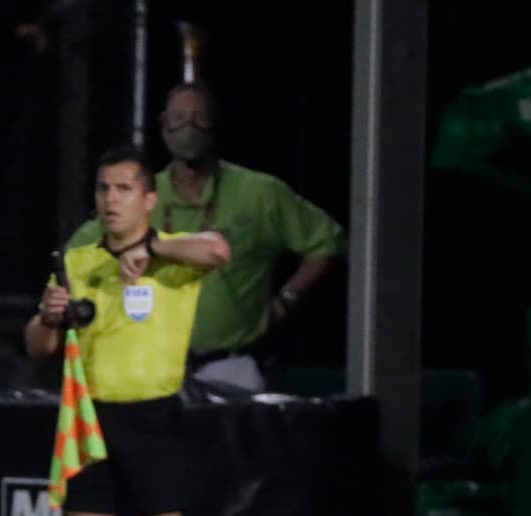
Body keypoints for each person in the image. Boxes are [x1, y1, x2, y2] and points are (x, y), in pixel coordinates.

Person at [26, 145, 229, 516]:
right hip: (88, 419)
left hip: (153, 418)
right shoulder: (80, 260)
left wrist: (151, 248)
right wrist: (48, 315)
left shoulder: (172, 259)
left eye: (122, 190)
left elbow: (218, 249)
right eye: (103, 189)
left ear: (148, 199)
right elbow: (37, 345)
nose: (110, 200)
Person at [68, 82, 345, 397]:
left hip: (233, 368)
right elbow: (77, 252)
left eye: (200, 118)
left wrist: (285, 301)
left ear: (215, 125)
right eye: (179, 118)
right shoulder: (140, 196)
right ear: (163, 126)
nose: (189, 127)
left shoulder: (259, 194)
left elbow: (327, 242)